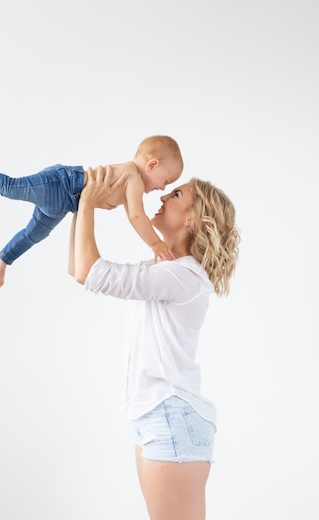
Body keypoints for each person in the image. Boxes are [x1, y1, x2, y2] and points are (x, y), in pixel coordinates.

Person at [68, 166, 240, 520]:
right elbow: (78, 270)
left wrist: (87, 202)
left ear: (192, 219)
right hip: (156, 415)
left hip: (171, 416)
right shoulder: (168, 271)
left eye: (176, 195)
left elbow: (89, 271)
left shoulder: (181, 276)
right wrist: (80, 205)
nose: (162, 196)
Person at [0, 135, 183, 287]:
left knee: (35, 234)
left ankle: (3, 257)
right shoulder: (133, 177)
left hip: (67, 203)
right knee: (12, 187)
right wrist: (155, 244)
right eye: (166, 181)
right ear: (152, 165)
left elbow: (134, 217)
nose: (163, 188)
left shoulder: (133, 181)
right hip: (62, 184)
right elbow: (137, 216)